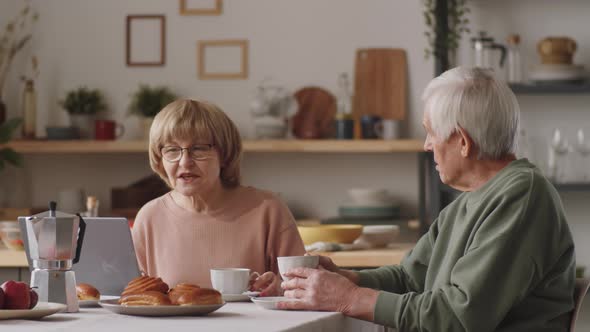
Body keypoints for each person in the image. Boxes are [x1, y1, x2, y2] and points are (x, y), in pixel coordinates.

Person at [279, 67, 575, 331]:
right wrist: (347, 279)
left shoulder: (521, 197)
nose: (426, 145)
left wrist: (350, 298)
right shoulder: (467, 203)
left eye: (431, 133)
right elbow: (410, 278)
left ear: (462, 141)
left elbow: (459, 318)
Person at [132, 98, 305, 296]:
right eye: (172, 150)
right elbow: (135, 297)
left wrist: (281, 288)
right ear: (160, 159)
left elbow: (304, 288)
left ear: (224, 154)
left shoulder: (268, 210)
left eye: (199, 148)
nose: (185, 162)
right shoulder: (149, 217)